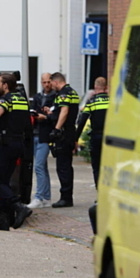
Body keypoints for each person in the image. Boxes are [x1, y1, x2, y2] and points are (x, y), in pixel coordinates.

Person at [0, 73, 33, 231]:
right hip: (18, 143)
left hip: (5, 145)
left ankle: (19, 207)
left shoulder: (6, 99)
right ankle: (4, 220)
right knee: (5, 182)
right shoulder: (22, 99)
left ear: (6, 85)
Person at [48, 72, 80, 208]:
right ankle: (67, 196)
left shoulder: (63, 94)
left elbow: (65, 111)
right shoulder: (73, 92)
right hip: (70, 132)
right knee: (66, 166)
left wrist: (56, 129)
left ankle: (65, 198)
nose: (51, 86)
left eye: (51, 83)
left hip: (64, 133)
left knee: (63, 167)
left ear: (56, 82)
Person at [27, 72, 56, 209]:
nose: (47, 85)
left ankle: (39, 197)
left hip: (45, 135)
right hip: (35, 134)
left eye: (49, 82)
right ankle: (46, 197)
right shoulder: (37, 97)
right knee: (42, 167)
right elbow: (32, 111)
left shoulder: (56, 97)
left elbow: (55, 115)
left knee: (38, 166)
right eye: (44, 82)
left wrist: (46, 116)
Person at [76, 77, 109, 188]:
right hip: (109, 138)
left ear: (95, 87)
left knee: (97, 166)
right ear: (106, 88)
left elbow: (82, 121)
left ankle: (100, 194)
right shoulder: (112, 101)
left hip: (96, 137)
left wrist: (75, 138)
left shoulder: (91, 102)